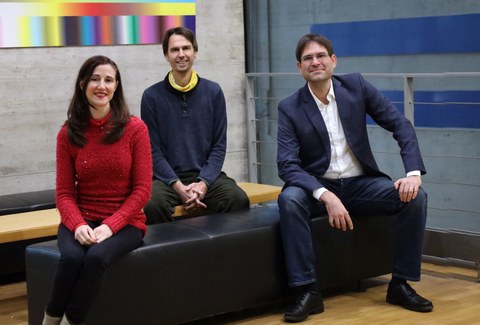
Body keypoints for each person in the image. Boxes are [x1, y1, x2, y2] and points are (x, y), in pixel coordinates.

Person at [276, 33, 433, 322]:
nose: (315, 62)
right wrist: (326, 195)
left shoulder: (356, 86)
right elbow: (287, 165)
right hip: (319, 186)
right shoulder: (290, 107)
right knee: (289, 198)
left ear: (333, 60)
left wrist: (412, 174)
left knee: (415, 197)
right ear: (299, 67)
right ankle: (308, 291)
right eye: (308, 58)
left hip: (361, 184)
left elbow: (400, 125)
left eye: (321, 55)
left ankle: (399, 284)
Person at [42, 55, 152, 325]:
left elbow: (142, 190)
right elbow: (64, 194)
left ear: (116, 87)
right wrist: (78, 225)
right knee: (70, 257)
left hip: (126, 222)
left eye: (108, 80)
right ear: (82, 84)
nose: (101, 85)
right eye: (94, 79)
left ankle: (69, 322)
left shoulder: (135, 129)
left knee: (95, 258)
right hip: (82, 218)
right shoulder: (68, 133)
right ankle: (49, 320)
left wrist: (111, 226)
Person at [140, 26, 249, 224]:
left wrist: (203, 183)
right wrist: (178, 186)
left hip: (207, 177)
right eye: (174, 50)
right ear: (166, 55)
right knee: (151, 204)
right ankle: (169, 254)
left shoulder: (213, 92)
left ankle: (218, 252)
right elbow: (152, 151)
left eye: (186, 48)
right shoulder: (151, 96)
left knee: (237, 199)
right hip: (166, 180)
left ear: (195, 52)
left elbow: (219, 146)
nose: (181, 54)